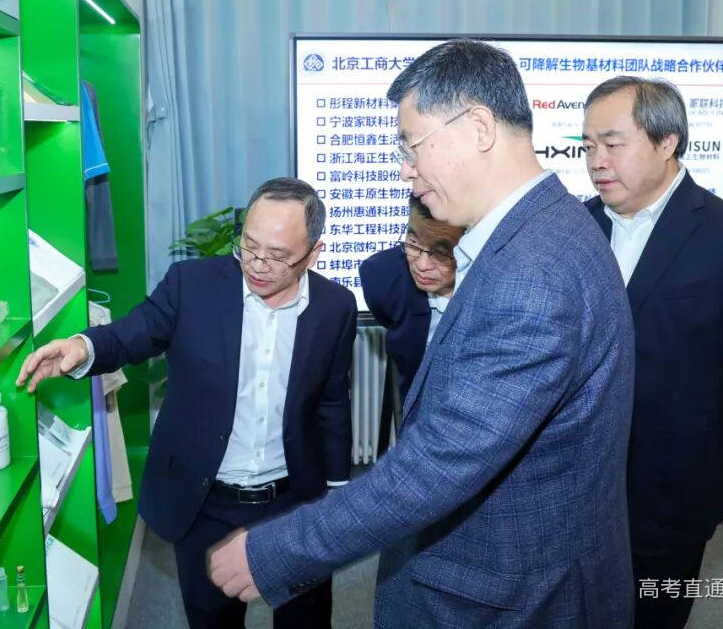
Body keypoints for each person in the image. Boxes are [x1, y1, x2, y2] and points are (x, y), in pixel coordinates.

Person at [208, 39, 636, 627]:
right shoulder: (545, 231)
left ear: (479, 127)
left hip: (504, 597)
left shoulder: (533, 273)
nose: (406, 169)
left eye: (412, 146)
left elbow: (439, 462)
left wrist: (274, 550)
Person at [17, 177, 356, 629]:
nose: (257, 265)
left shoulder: (335, 307)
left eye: (277, 256)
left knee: (305, 620)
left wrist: (337, 493)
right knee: (212, 620)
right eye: (248, 246)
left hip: (293, 501)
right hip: (206, 502)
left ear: (313, 254)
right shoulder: (191, 285)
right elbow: (133, 333)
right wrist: (83, 346)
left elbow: (331, 400)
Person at [580, 76, 723, 629]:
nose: (596, 161)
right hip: (577, 485)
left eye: (612, 144)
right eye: (588, 145)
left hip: (673, 489)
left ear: (666, 141)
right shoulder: (578, 227)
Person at [360, 195, 463, 396]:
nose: (422, 266)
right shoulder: (383, 277)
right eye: (413, 243)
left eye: (441, 253)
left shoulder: (500, 286)